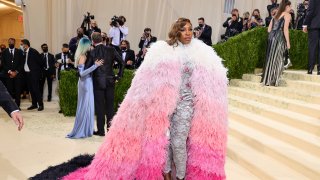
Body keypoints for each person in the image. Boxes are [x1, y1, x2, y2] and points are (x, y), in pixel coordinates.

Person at [63, 18, 227, 180]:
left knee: (178, 142)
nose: (188, 33)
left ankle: (181, 177)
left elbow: (209, 80)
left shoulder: (201, 53)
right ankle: (167, 173)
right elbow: (146, 77)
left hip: (186, 105)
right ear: (176, 31)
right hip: (163, 105)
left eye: (190, 29)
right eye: (184, 29)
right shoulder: (163, 50)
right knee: (164, 141)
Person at [88, 32, 124, 136]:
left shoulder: (92, 52)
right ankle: (110, 130)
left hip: (98, 82)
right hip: (110, 81)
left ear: (93, 41)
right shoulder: (111, 50)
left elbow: (87, 68)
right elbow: (122, 62)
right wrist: (119, 76)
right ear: (102, 39)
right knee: (110, 106)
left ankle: (100, 131)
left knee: (100, 107)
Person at [67, 38, 103, 139]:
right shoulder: (82, 57)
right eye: (89, 44)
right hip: (85, 83)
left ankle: (86, 129)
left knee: (87, 106)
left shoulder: (84, 56)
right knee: (85, 106)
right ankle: (82, 130)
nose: (91, 46)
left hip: (87, 82)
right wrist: (95, 66)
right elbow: (82, 74)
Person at [261, 0, 292, 86]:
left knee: (271, 58)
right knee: (278, 59)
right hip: (279, 37)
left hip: (271, 37)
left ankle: (268, 79)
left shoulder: (276, 15)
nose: (290, 8)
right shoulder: (287, 15)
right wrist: (288, 42)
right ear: (286, 7)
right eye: (290, 6)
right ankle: (274, 80)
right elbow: (285, 29)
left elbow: (268, 29)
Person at [21, 39, 45, 111]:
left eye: (22, 44)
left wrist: (37, 72)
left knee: (36, 89)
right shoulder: (24, 52)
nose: (21, 46)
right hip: (27, 74)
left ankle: (40, 105)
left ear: (26, 45)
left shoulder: (33, 51)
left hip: (34, 74)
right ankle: (34, 104)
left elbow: (40, 62)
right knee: (31, 90)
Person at [1, 38, 24, 108]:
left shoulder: (19, 51)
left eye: (12, 42)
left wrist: (16, 72)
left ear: (14, 43)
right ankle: (11, 106)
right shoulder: (4, 52)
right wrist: (10, 72)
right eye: (9, 42)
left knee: (18, 91)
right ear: (8, 43)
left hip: (17, 75)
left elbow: (22, 63)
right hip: (8, 75)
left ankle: (17, 105)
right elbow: (3, 64)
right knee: (9, 91)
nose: (11, 43)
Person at [303, 0, 320, 75]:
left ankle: (310, 68)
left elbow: (310, 12)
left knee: (312, 47)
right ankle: (319, 70)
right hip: (315, 25)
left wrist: (305, 24)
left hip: (314, 25)